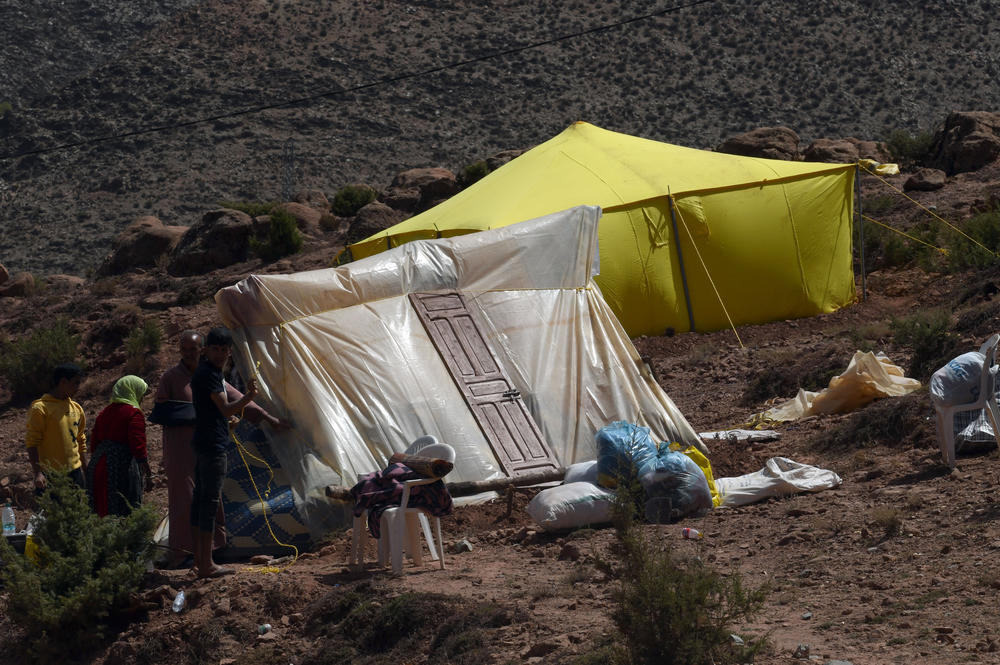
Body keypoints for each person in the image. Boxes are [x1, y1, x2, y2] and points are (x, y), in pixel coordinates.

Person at [153, 329, 287, 569]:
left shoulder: (210, 375)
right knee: (189, 498)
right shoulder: (173, 378)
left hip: (201, 442)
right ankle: (188, 554)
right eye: (185, 351)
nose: (189, 355)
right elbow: (165, 410)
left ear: (201, 349)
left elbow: (234, 402)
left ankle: (204, 554)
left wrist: (269, 419)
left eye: (193, 350)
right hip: (182, 446)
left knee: (202, 500)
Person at [86, 375, 154, 517]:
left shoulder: (104, 412)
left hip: (98, 465)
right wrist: (148, 474)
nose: (142, 399)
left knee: (101, 510)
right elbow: (138, 447)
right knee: (125, 508)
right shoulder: (134, 413)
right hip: (120, 467)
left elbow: (94, 444)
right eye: (141, 394)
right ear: (133, 391)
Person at [26, 363, 88, 493]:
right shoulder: (41, 408)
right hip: (50, 475)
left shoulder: (76, 408)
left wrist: (86, 470)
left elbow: (80, 440)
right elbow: (32, 443)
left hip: (75, 474)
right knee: (53, 513)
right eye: (75, 383)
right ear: (63, 382)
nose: (78, 387)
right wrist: (38, 473)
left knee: (78, 512)